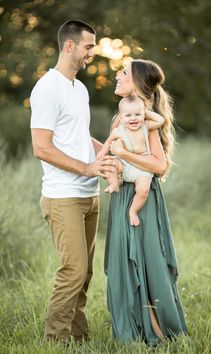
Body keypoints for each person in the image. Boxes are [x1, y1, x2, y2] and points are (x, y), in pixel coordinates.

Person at [30, 20, 114, 343]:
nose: (92, 53)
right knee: (74, 270)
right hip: (62, 196)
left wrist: (107, 155)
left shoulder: (79, 89)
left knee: (86, 273)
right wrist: (86, 168)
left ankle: (79, 338)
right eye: (88, 47)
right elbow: (42, 147)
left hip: (88, 195)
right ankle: (55, 341)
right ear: (69, 46)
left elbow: (79, 137)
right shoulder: (47, 89)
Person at [104, 59, 187, 345]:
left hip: (141, 197)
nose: (118, 75)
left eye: (124, 72)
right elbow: (112, 150)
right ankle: (135, 331)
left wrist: (123, 156)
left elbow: (159, 166)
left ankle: (158, 333)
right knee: (125, 262)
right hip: (121, 195)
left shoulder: (144, 118)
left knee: (145, 261)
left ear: (137, 82)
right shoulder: (122, 116)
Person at [98, 95, 164, 226]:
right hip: (124, 164)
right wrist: (102, 152)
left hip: (142, 167)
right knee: (109, 164)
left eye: (137, 114)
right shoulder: (119, 131)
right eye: (128, 116)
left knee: (143, 190)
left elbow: (160, 120)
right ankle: (114, 183)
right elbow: (108, 142)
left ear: (143, 115)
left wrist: (145, 113)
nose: (133, 118)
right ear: (121, 118)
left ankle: (133, 210)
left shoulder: (146, 126)